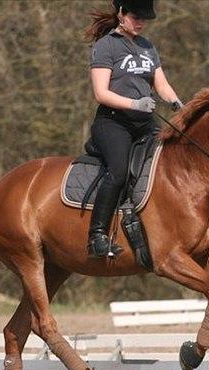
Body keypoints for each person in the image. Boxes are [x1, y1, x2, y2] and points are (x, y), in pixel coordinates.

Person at [83, 0, 183, 258]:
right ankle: (97, 236)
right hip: (113, 123)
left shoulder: (147, 47)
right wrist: (135, 103)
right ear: (121, 13)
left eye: (144, 18)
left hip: (145, 124)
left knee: (171, 165)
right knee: (118, 171)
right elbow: (100, 93)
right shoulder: (106, 46)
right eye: (135, 16)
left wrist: (176, 103)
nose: (140, 22)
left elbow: (161, 84)